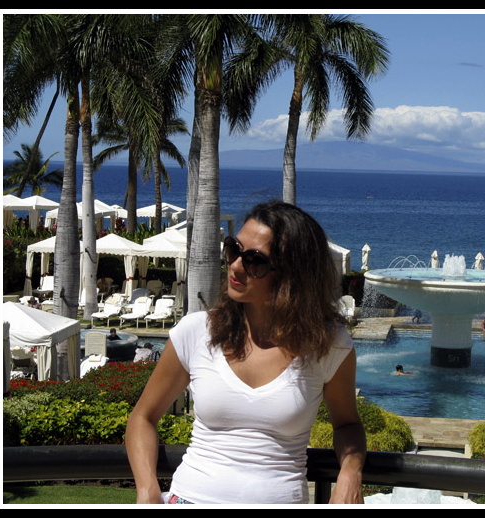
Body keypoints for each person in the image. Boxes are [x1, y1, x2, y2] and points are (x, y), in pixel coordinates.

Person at [126, 201, 366, 505]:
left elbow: (348, 425)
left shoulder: (327, 345)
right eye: (233, 250)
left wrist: (350, 471)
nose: (236, 266)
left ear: (292, 276)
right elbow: (142, 418)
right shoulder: (197, 332)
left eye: (255, 261)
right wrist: (147, 489)